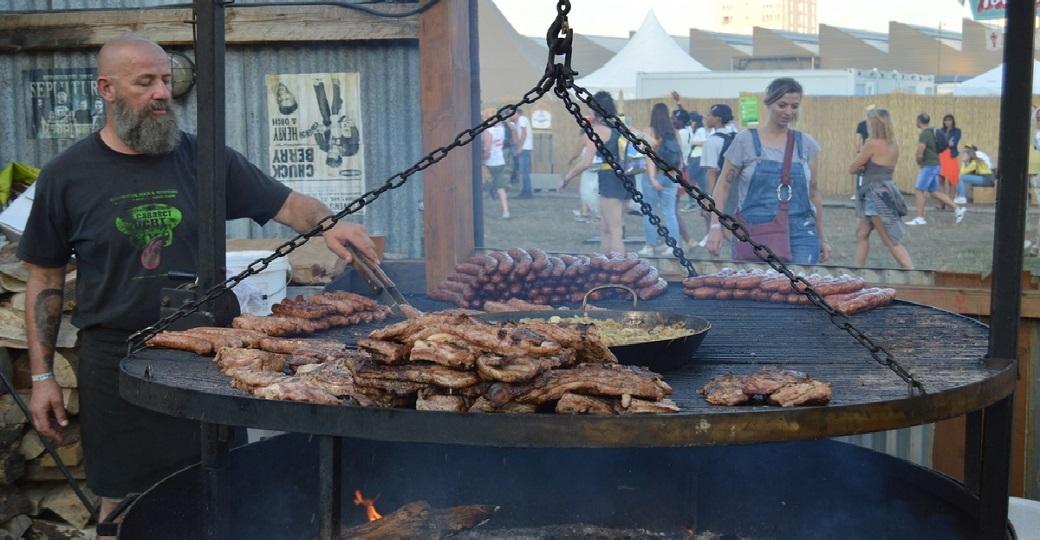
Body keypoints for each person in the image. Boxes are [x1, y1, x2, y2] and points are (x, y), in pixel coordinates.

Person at [20, 35, 377, 531]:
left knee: (226, 488)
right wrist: (42, 378)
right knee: (121, 503)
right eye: (145, 82)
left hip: (210, 356)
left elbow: (289, 205)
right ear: (106, 88)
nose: (162, 92)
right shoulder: (66, 176)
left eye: (166, 80)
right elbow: (44, 274)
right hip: (116, 361)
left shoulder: (205, 160)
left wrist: (331, 222)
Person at [706, 77, 831, 264]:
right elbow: (722, 187)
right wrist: (715, 225)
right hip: (754, 233)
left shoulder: (806, 145)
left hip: (801, 235)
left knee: (800, 291)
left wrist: (823, 238)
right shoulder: (745, 141)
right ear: (769, 102)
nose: (788, 112)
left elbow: (814, 194)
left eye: (794, 106)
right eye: (782, 105)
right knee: (755, 290)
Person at [560, 91, 627, 255]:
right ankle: (607, 265)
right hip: (625, 178)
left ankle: (618, 269)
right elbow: (649, 141)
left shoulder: (596, 131)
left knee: (614, 229)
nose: (589, 113)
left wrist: (567, 178)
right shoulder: (620, 126)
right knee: (606, 226)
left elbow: (586, 162)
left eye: (590, 110)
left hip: (609, 179)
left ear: (596, 111)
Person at [848, 108, 913, 269]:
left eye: (869, 122)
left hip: (875, 196)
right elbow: (883, 168)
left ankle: (912, 272)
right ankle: (856, 272)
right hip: (887, 191)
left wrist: (863, 166)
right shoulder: (894, 145)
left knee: (891, 240)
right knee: (862, 233)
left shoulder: (872, 144)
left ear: (873, 124)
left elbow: (853, 168)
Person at [635, 103, 683, 256]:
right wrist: (677, 174)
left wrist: (652, 178)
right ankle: (673, 246)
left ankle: (650, 245)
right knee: (670, 212)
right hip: (671, 176)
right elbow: (680, 156)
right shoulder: (675, 132)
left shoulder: (649, 131)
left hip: (653, 176)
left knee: (650, 212)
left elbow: (648, 156)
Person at [905, 113, 964, 226]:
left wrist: (919, 162)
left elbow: (920, 152)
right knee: (934, 192)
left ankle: (920, 218)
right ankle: (957, 208)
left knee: (919, 190)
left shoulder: (924, 134)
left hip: (929, 165)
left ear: (919, 121)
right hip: (935, 164)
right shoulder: (933, 132)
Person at [697, 103, 737, 249]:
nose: (706, 118)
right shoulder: (737, 137)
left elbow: (711, 172)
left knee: (722, 227)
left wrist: (710, 198)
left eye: (709, 115)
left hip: (721, 189)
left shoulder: (712, 142)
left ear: (717, 119)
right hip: (738, 188)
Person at [481, 108, 510, 219]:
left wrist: (482, 160)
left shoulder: (488, 131)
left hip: (489, 162)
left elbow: (487, 148)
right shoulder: (501, 128)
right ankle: (506, 211)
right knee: (500, 188)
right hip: (499, 160)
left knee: (481, 185)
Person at [938, 114, 963, 204]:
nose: (947, 122)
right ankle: (942, 203)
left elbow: (953, 142)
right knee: (940, 180)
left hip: (951, 157)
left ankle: (950, 203)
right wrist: (947, 142)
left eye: (950, 120)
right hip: (941, 156)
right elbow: (939, 143)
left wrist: (946, 142)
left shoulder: (957, 131)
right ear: (943, 122)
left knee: (952, 181)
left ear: (953, 121)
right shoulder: (940, 131)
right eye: (946, 120)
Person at [509, 107, 534, 198]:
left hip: (525, 148)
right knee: (523, 171)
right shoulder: (517, 122)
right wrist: (511, 127)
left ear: (516, 113)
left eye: (511, 113)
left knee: (525, 171)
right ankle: (525, 191)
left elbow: (524, 133)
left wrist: (520, 147)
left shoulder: (522, 119)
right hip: (523, 148)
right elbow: (515, 139)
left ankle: (527, 192)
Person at [852, 105, 874, 200]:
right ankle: (872, 193)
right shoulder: (878, 125)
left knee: (860, 172)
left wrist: (859, 151)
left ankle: (858, 193)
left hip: (865, 151)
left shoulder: (861, 124)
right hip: (875, 152)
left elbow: (858, 139)